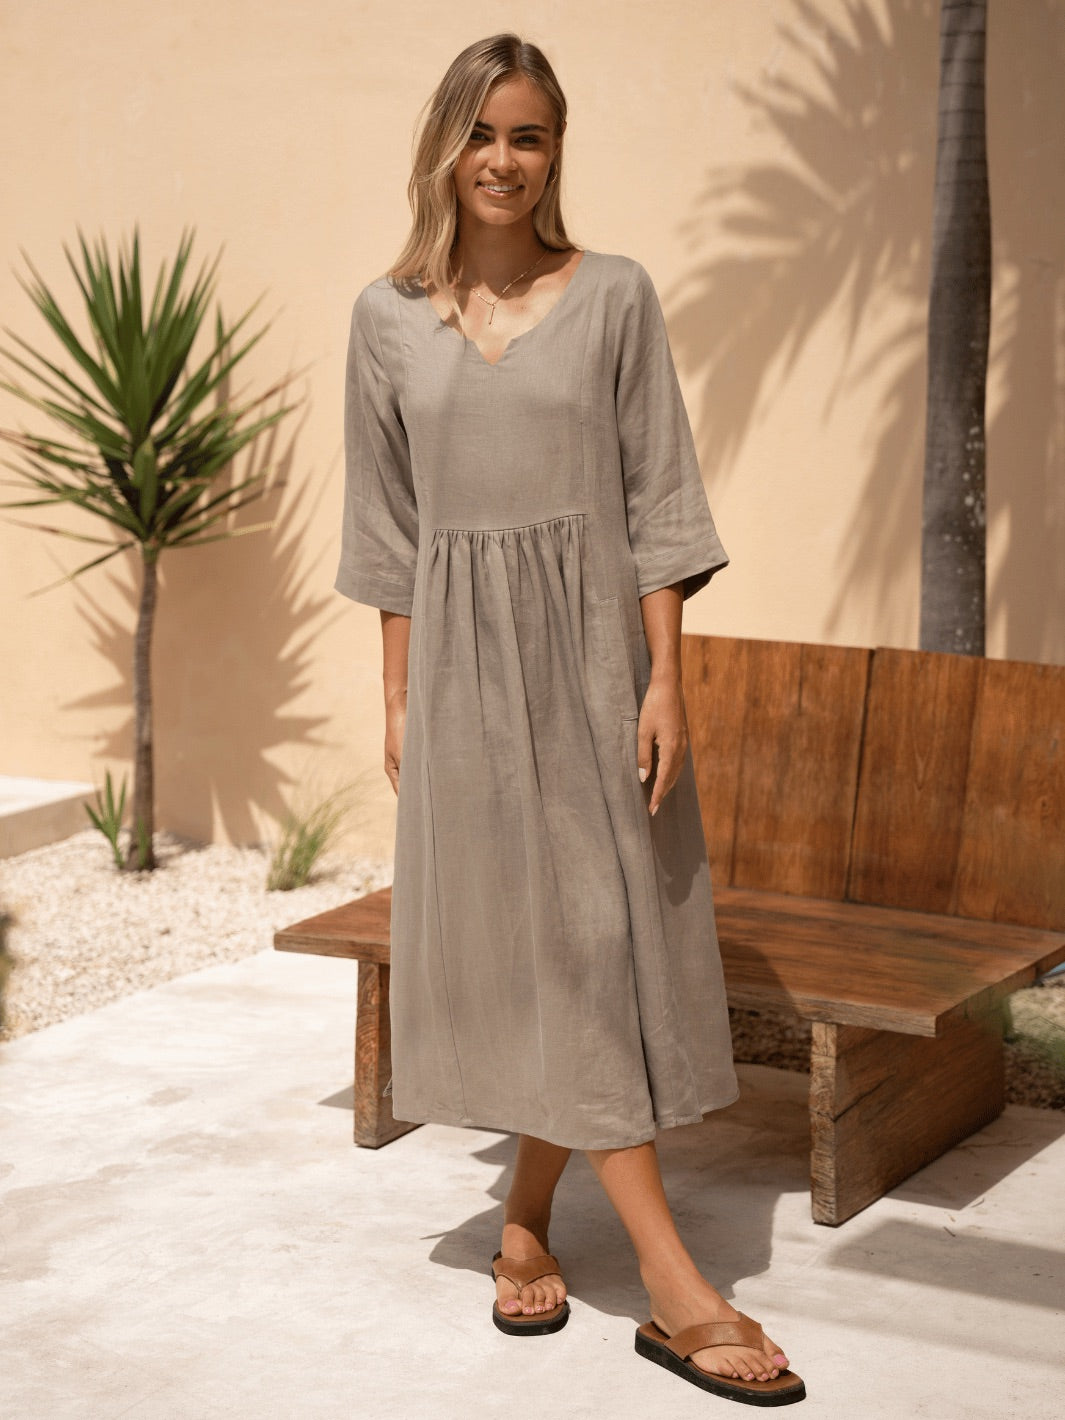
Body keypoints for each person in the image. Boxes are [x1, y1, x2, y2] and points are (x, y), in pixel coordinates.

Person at [335, 33, 804, 1407]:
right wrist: (397, 699)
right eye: (481, 132)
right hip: (460, 676)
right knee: (536, 949)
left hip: (593, 661)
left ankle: (659, 1276)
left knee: (593, 944)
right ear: (444, 144)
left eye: (528, 135)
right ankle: (539, 1226)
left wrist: (660, 677)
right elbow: (385, 527)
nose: (501, 159)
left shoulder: (611, 298)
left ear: (554, 152)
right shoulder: (384, 318)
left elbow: (659, 502)